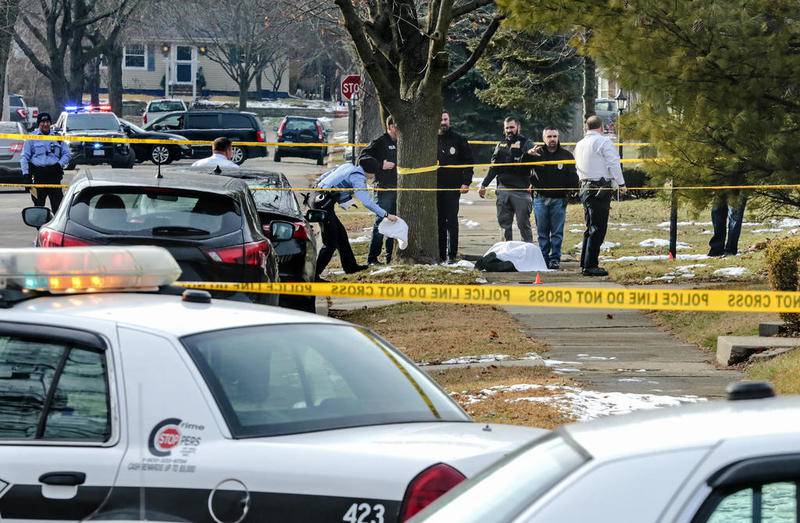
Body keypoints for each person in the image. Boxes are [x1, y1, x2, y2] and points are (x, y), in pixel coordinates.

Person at [313, 156, 398, 280]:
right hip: (323, 204)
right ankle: (314, 275)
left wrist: (345, 200)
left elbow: (327, 178)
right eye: (374, 173)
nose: (373, 177)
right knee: (330, 242)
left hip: (319, 197)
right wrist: (386, 214)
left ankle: (351, 267)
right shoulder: (358, 177)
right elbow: (367, 202)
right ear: (370, 172)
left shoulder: (348, 166)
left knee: (341, 236)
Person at [574, 115, 626, 276]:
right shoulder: (603, 142)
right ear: (601, 127)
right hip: (599, 189)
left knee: (590, 227)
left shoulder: (580, 144)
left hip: (585, 187)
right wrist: (622, 184)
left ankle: (585, 261)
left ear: (587, 127)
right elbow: (613, 164)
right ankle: (591, 265)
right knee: (598, 228)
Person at [526, 127, 577, 270]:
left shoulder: (566, 155)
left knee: (557, 232)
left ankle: (555, 258)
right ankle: (543, 258)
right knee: (542, 232)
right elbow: (522, 169)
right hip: (540, 198)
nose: (552, 139)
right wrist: (528, 156)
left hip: (559, 200)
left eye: (554, 136)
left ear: (558, 137)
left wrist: (572, 192)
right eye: (549, 136)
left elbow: (573, 176)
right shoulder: (537, 154)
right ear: (544, 138)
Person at [479, 117, 536, 243]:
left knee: (523, 225)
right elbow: (494, 168)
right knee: (504, 226)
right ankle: (506, 255)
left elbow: (535, 164)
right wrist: (484, 185)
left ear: (518, 127)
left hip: (521, 190)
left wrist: (527, 154)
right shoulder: (501, 145)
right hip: (503, 190)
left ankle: (528, 254)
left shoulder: (527, 143)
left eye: (512, 127)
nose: (509, 130)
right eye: (507, 128)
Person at [437, 110, 474, 263]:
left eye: (445, 119)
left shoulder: (459, 139)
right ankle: (440, 255)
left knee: (451, 220)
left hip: (453, 187)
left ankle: (452, 255)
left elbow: (468, 161)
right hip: (434, 187)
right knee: (438, 221)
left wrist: (466, 182)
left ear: (449, 120)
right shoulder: (429, 140)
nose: (443, 122)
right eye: (440, 119)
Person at [362, 116, 398, 265]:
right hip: (383, 188)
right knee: (381, 221)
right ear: (389, 126)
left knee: (394, 223)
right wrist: (380, 166)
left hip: (399, 188)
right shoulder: (380, 142)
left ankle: (390, 256)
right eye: (396, 126)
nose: (398, 129)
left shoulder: (402, 142)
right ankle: (372, 258)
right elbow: (363, 158)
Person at [20, 112, 71, 212]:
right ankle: (41, 227)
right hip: (38, 177)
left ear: (50, 123)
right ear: (39, 124)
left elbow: (67, 154)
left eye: (47, 122)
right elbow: (24, 157)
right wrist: (26, 175)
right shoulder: (32, 138)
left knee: (58, 209)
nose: (45, 124)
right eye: (42, 122)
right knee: (38, 209)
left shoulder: (58, 137)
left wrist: (59, 164)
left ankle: (56, 227)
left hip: (54, 177)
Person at [708, 191, 747, 257]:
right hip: (720, 184)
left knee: (735, 217)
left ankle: (730, 250)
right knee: (717, 212)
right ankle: (717, 249)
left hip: (738, 185)